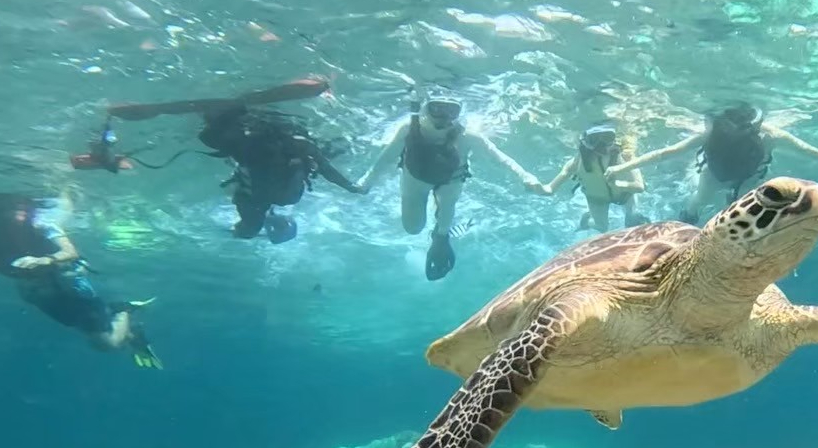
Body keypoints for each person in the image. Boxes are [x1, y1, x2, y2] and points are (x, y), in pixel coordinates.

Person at [104, 77, 366, 244]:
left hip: (272, 130)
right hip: (246, 137)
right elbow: (319, 164)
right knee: (218, 125)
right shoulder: (262, 200)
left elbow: (320, 163)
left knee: (328, 145)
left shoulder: (286, 188)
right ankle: (170, 110)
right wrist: (245, 232)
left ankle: (234, 106)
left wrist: (350, 186)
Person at [356, 93, 542, 280]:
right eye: (437, 109)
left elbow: (498, 157)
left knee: (444, 223)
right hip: (415, 182)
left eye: (451, 111)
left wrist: (525, 176)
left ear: (459, 113)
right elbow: (387, 156)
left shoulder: (467, 136)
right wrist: (366, 181)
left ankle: (440, 237)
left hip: (451, 182)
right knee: (412, 228)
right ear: (425, 109)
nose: (444, 116)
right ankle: (437, 235)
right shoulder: (409, 130)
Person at [605, 101, 818, 223]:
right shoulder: (770, 135)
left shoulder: (724, 134)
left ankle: (695, 225)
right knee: (707, 205)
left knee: (707, 205)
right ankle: (685, 232)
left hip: (722, 177)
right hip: (737, 177)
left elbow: (667, 153)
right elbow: (813, 152)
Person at [1, 194, 161, 368]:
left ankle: (123, 310)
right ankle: (129, 333)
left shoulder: (43, 225)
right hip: (39, 292)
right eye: (12, 210)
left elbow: (70, 252)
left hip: (68, 283)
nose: (20, 215)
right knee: (82, 326)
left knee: (106, 343)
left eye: (23, 208)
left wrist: (45, 260)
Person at [196, 102, 366, 243]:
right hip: (268, 178)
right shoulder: (260, 149)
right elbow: (325, 169)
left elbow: (325, 169)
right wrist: (349, 186)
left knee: (261, 216)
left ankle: (257, 227)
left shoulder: (295, 146)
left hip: (267, 185)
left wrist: (349, 186)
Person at [535, 123, 647, 232]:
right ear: (585, 142)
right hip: (597, 199)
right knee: (602, 227)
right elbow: (549, 189)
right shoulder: (576, 163)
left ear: (613, 140)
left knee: (633, 218)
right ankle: (587, 220)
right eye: (593, 139)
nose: (600, 145)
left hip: (624, 195)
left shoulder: (625, 157)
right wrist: (538, 187)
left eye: (607, 138)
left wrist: (618, 184)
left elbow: (639, 186)